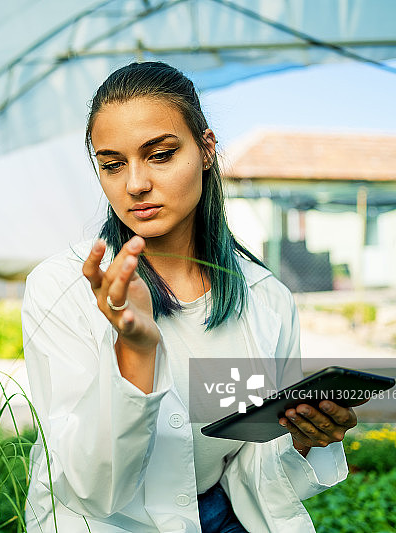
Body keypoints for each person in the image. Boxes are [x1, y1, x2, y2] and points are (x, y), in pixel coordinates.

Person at [22, 62, 355, 533]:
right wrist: (137, 353)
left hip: (221, 515)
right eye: (112, 164)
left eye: (159, 154)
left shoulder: (267, 299)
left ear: (206, 148)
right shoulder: (61, 288)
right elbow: (94, 491)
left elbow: (249, 459)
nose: (135, 183)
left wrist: (300, 440)